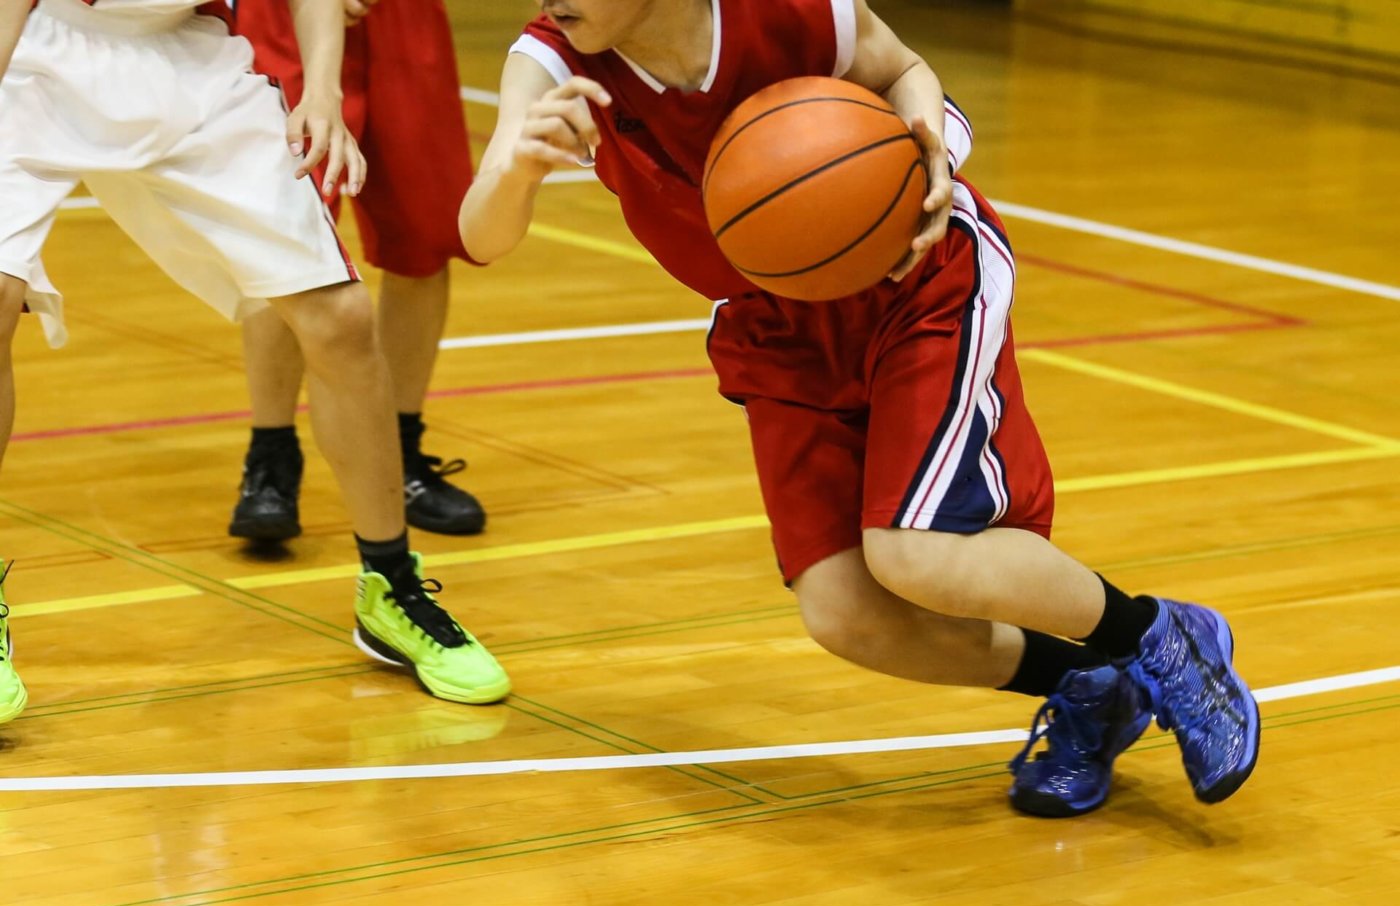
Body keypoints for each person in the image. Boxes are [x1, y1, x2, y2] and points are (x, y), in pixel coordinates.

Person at [460, 0, 1261, 816]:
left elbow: (903, 68)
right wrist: (516, 171)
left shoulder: (784, 13)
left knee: (915, 552)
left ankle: (1158, 635)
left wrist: (932, 156)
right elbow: (479, 235)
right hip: (775, 324)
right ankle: (1091, 687)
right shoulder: (554, 61)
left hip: (910, 279)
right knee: (846, 611)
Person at [0, 0, 510, 719]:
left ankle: (390, 586)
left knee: (339, 318)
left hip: (192, 60)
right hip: (34, 54)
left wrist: (323, 93)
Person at [227, 0, 486, 543]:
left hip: (403, 19)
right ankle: (269, 460)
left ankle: (401, 454)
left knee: (426, 236)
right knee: (281, 234)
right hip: (283, 15)